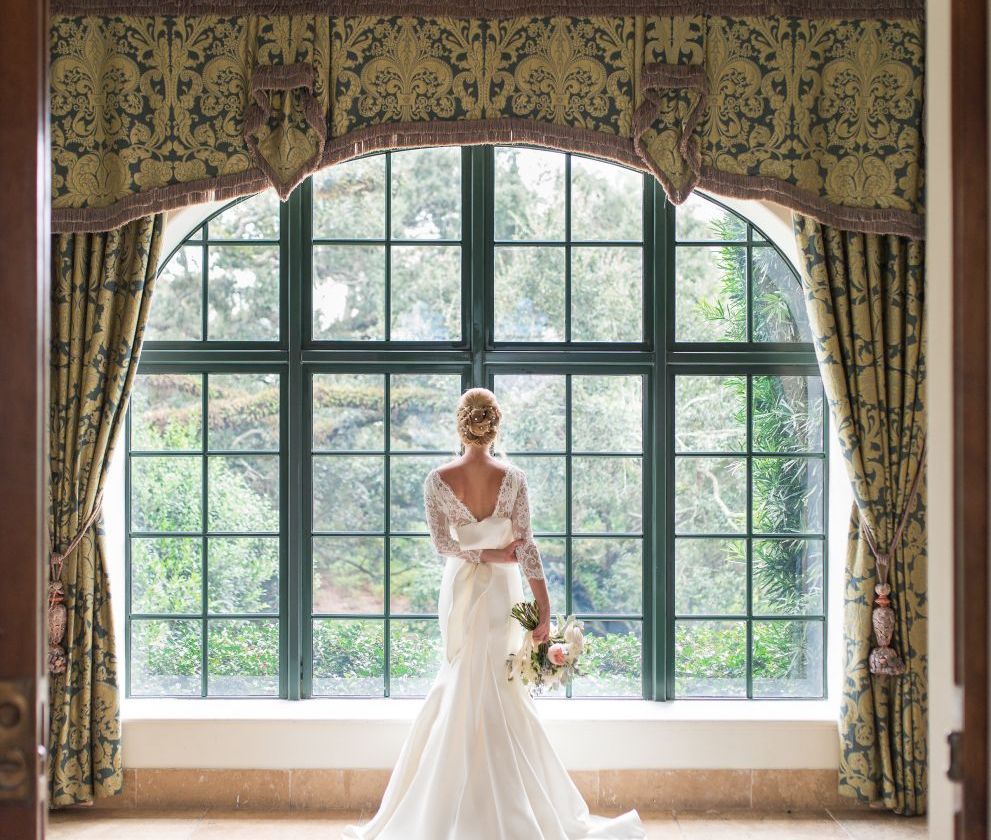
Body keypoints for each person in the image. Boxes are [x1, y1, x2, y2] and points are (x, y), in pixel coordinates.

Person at [343, 388, 645, 840]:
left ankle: (445, 811)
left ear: (460, 424)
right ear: (494, 423)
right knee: (494, 681)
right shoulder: (513, 478)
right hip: (502, 590)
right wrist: (542, 606)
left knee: (467, 676)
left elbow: (444, 546)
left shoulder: (437, 479)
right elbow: (526, 546)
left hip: (463, 585)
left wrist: (481, 555)